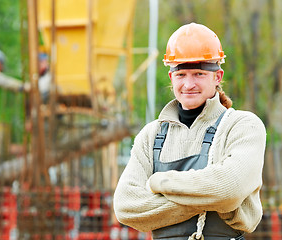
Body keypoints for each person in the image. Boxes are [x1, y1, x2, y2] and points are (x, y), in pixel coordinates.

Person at [113, 23, 266, 240]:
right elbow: (126, 206)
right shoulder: (151, 136)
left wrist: (158, 183)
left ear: (218, 76)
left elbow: (229, 190)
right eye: (182, 74)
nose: (189, 84)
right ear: (171, 78)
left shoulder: (242, 126)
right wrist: (212, 200)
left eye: (199, 74)